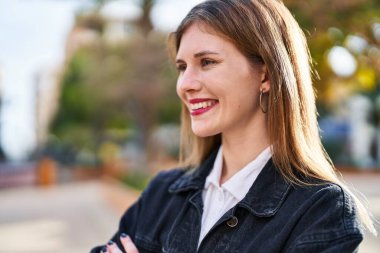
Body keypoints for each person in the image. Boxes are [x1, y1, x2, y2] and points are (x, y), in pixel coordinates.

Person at [92, 0, 377, 252]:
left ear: (265, 74)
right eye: (182, 67)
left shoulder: (320, 210)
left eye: (207, 62)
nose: (185, 85)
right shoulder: (162, 193)